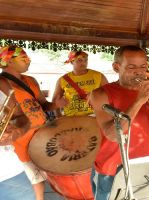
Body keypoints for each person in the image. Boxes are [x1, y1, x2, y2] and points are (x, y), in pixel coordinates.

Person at [89, 45, 149, 200]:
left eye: (143, 67)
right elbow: (112, 135)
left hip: (145, 169)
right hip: (111, 171)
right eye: (131, 67)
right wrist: (139, 101)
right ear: (116, 67)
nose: (139, 72)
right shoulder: (100, 94)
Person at [0, 46, 66, 200]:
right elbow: (14, 116)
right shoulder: (2, 83)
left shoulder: (30, 81)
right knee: (34, 179)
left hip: (40, 135)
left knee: (44, 175)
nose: (28, 60)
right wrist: (18, 130)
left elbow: (43, 106)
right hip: (21, 140)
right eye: (23, 58)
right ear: (8, 61)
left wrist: (56, 105)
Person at [52, 50, 108, 117]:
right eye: (80, 60)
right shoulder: (62, 80)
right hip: (71, 117)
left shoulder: (98, 76)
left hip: (94, 116)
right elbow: (55, 100)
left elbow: (109, 95)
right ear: (72, 62)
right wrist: (59, 118)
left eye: (85, 60)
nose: (84, 63)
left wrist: (97, 96)